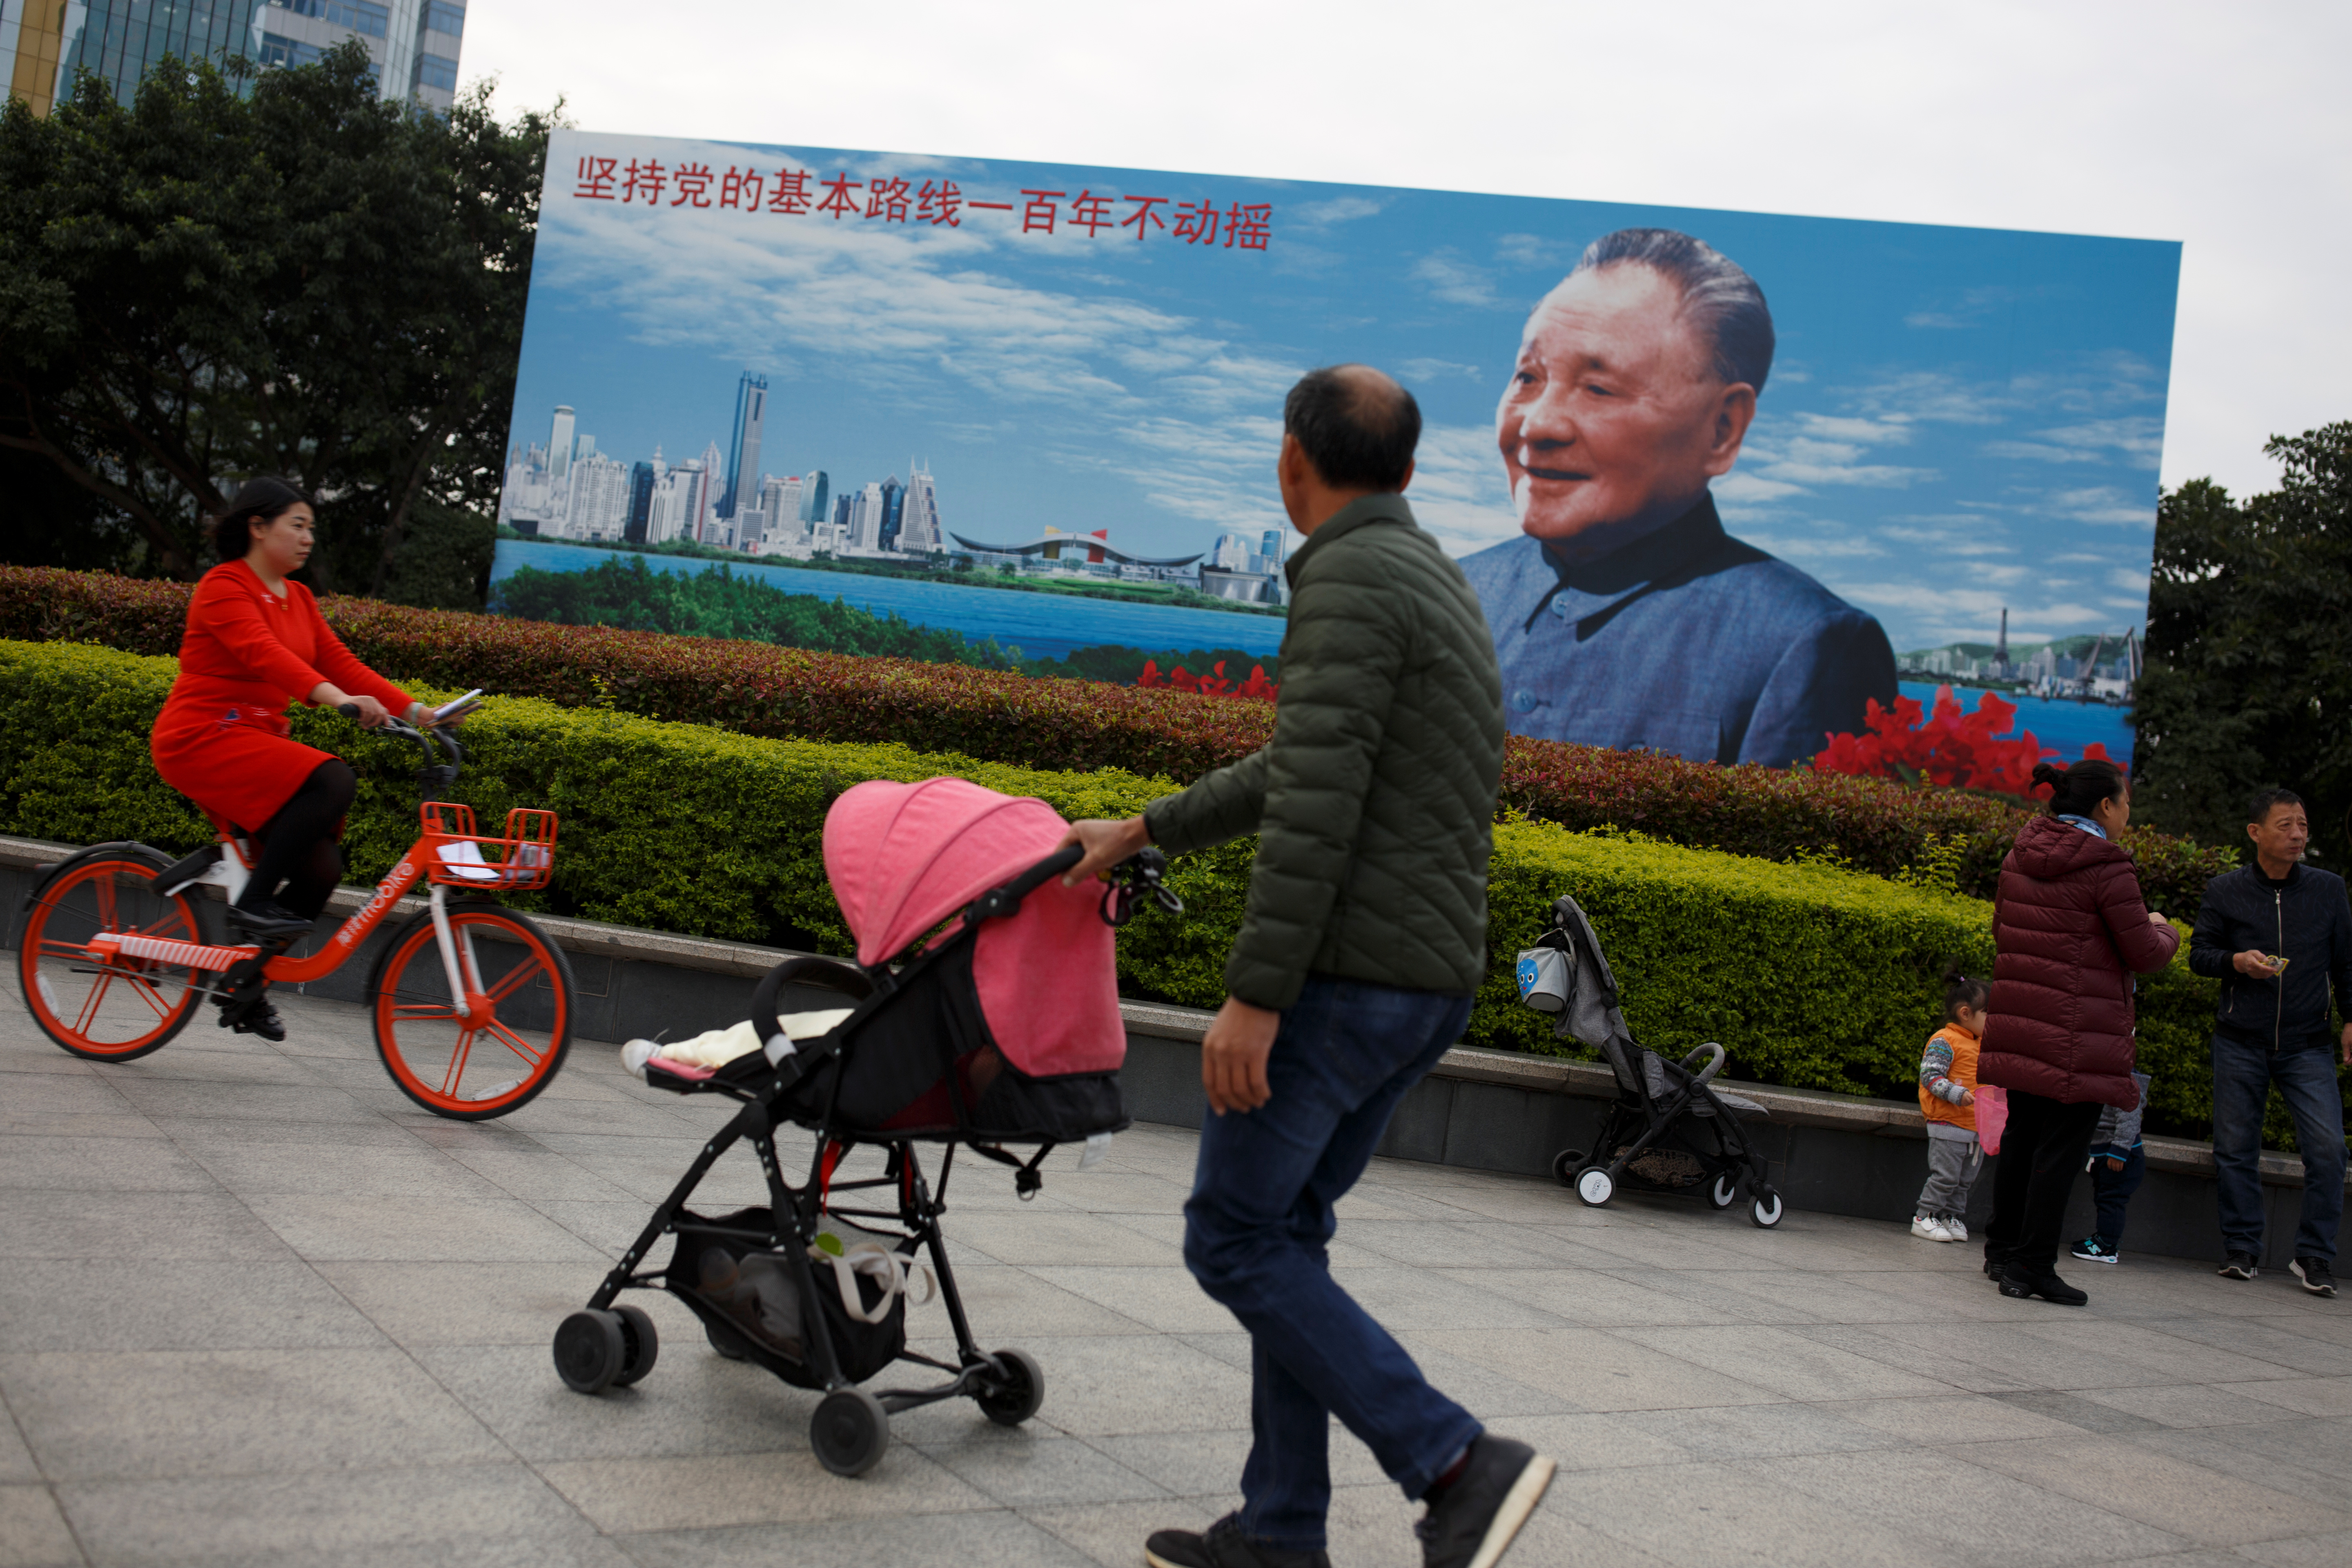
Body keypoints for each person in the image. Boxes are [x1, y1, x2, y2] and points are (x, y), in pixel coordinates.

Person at [1060, 366, 1554, 1568]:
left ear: (1293, 460)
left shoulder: (1346, 575)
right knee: (1287, 1234)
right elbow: (1304, 765)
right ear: (1410, 468)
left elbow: (1319, 804)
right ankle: (1283, 1527)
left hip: (1346, 982)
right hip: (1423, 977)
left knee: (1233, 1235)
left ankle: (1453, 1459)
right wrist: (1146, 828)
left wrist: (1255, 994)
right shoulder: (1429, 575)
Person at [1457, 227, 1896, 766]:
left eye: (1598, 388)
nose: (1539, 424)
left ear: (1722, 428)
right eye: (1528, 377)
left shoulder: (1804, 646)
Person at [149, 477, 439, 1040]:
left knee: (323, 867)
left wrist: (421, 711)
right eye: (298, 525)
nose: (309, 538)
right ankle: (253, 905)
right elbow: (267, 654)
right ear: (258, 528)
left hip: (255, 742)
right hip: (203, 736)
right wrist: (336, 701)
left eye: (312, 528)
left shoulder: (299, 598)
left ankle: (246, 983)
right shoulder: (223, 586)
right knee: (332, 779)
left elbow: (341, 664)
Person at [1977, 757, 2179, 1305]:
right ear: (2106, 806)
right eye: (2127, 804)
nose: (2128, 816)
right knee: (2060, 1152)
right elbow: (2143, 951)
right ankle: (2033, 1267)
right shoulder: (2108, 867)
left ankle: (2001, 1253)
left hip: (2022, 1021)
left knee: (2022, 1140)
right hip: (2078, 1033)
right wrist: (2168, 931)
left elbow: (2004, 930)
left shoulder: (2021, 854)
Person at [2188, 788, 2352, 1295]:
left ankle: (2315, 1256)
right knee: (2236, 1149)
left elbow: (2346, 963)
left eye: (2302, 825)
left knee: (2329, 1151)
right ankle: (2241, 1249)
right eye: (2286, 825)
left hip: (2308, 1044)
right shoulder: (2226, 890)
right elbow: (2200, 955)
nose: (2298, 835)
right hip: (2240, 1039)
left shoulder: (2329, 889)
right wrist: (2236, 962)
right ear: (2255, 832)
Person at [1913, 964, 1990, 1244]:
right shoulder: (1945, 1040)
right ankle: (1925, 1216)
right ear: (1966, 1013)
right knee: (1946, 1177)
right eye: (1988, 1014)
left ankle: (1951, 1217)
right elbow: (1930, 1077)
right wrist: (1958, 1094)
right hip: (1948, 1124)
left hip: (1974, 1128)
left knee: (1964, 1181)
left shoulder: (1982, 1044)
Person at [2071, 1067, 2153, 1266]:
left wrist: (2120, 1150)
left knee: (2112, 1200)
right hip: (2105, 1152)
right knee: (2104, 1198)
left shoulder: (2125, 1082)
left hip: (2119, 1156)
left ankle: (2107, 1246)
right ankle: (2102, 1239)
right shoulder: (2108, 1076)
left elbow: (2130, 1116)